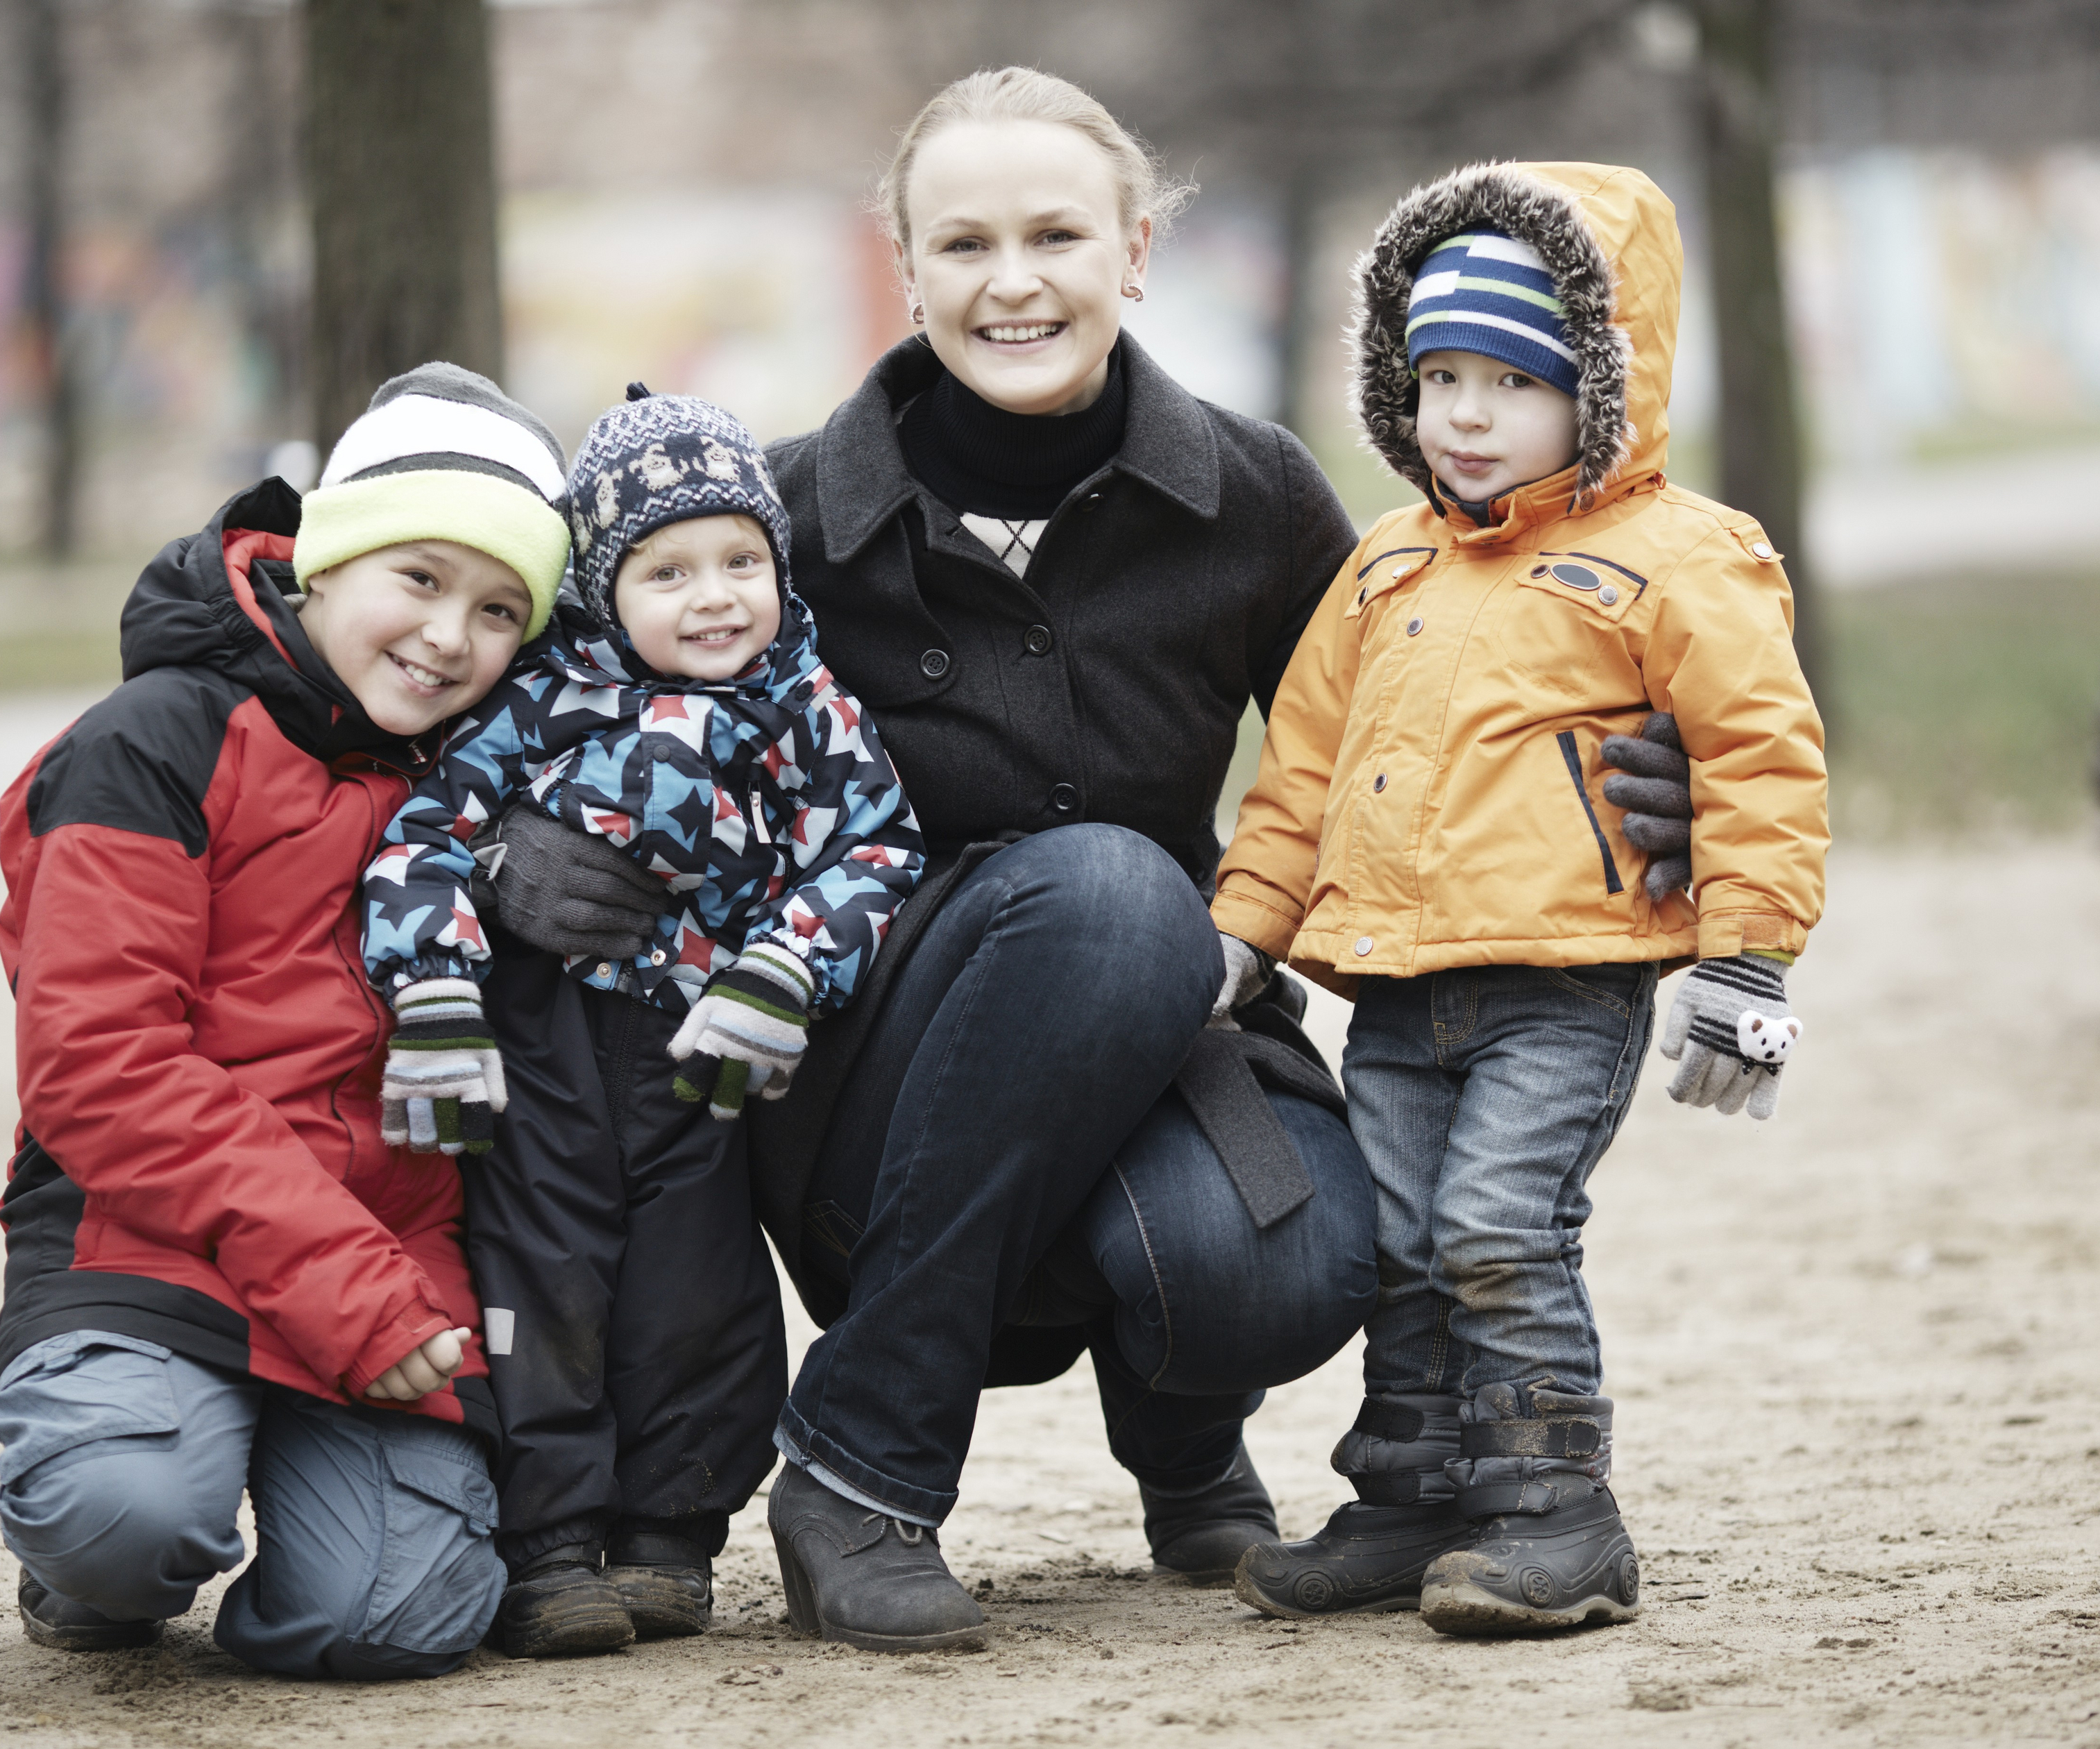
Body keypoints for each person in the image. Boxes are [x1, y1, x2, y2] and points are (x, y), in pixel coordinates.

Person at [473, 70, 1697, 1655]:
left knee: (1288, 1261)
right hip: (852, 1082)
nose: (1012, 279)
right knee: (1109, 885)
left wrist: (1608, 759)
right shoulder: (766, 520)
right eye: (963, 242)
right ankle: (860, 1466)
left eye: (1055, 232)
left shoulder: (1251, 494)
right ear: (906, 271)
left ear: (1133, 250)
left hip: (1169, 1036)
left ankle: (1183, 1434)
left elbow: (1414, 703)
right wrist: (503, 849)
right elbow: (495, 682)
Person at [1213, 162, 1829, 1634]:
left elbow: (1756, 754)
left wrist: (1745, 965)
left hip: (1562, 980)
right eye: (1438, 377)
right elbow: (1301, 769)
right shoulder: (1384, 563)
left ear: (1599, 389)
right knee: (1400, 1243)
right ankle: (1415, 1493)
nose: (1466, 416)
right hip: (1401, 989)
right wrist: (1241, 930)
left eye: (1513, 379)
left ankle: (1559, 1513)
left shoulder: (1679, 555)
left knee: (1497, 1223)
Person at [0, 363, 575, 1677]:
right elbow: (100, 1066)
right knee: (121, 1519)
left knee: (392, 1617)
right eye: (416, 579)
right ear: (322, 559)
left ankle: (293, 1489)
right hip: (152, 1242)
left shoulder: (495, 785)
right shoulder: (150, 742)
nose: (447, 637)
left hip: (394, 1252)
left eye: (497, 610)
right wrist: (346, 1291)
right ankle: (105, 1536)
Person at [359, 387, 923, 1657]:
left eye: (741, 560)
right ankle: (549, 1541)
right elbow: (425, 836)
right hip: (542, 1046)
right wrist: (435, 991)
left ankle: (671, 1534)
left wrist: (785, 968)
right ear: (602, 591)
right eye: (667, 570)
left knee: (697, 1290)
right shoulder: (545, 700)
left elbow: (877, 849)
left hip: (700, 1056)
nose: (714, 595)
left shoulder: (810, 712)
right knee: (539, 1276)